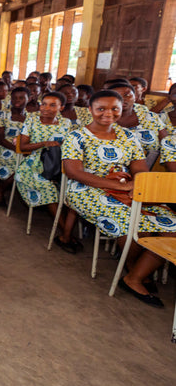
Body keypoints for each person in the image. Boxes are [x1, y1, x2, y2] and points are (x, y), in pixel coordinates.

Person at [55, 91, 175, 307]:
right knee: (135, 226)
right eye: (101, 109)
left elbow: (140, 168)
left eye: (114, 109)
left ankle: (134, 276)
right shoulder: (76, 136)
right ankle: (133, 266)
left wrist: (136, 185)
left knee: (172, 225)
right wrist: (120, 186)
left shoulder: (128, 136)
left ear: (122, 110)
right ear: (90, 110)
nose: (108, 113)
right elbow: (74, 172)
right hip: (85, 190)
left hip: (125, 187)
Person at [13, 92, 71, 214]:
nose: (46, 108)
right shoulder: (32, 121)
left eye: (52, 105)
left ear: (61, 108)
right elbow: (23, 147)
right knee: (49, 189)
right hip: (34, 163)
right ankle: (61, 225)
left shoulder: (66, 123)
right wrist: (45, 143)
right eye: (44, 104)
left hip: (58, 163)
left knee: (72, 188)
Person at [0, 86, 28, 205]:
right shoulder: (2, 115)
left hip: (24, 148)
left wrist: (25, 149)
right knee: (20, 161)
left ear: (28, 99)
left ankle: (1, 187)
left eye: (21, 98)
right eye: (14, 98)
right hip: (2, 147)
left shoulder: (31, 118)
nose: (17, 101)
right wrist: (18, 149)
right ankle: (1, 188)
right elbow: (0, 139)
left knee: (31, 162)